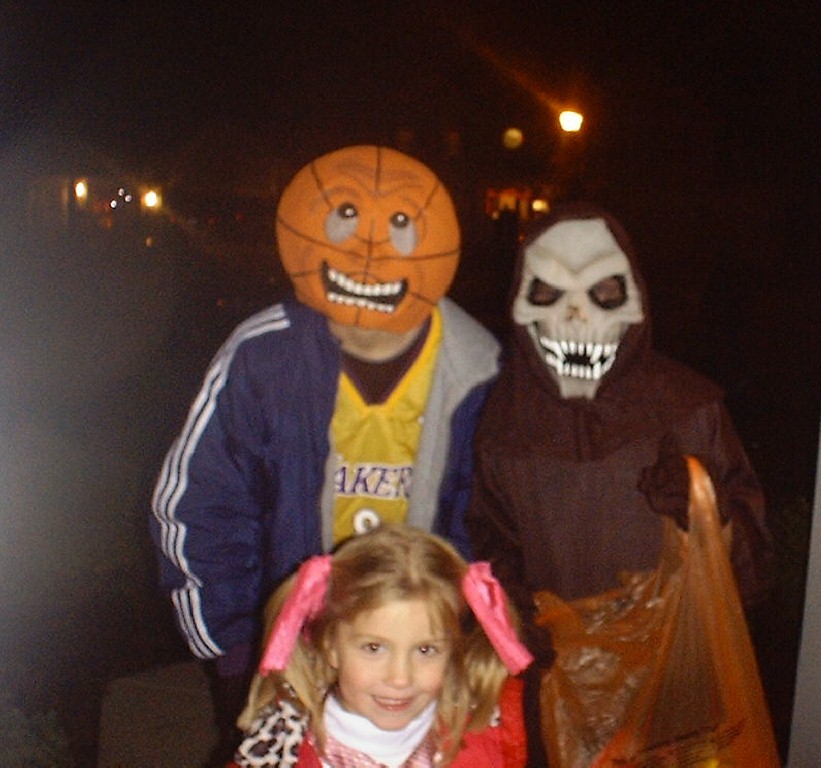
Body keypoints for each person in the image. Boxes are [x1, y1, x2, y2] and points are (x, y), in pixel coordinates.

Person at [150, 145, 501, 762]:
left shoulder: (478, 369)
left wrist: (467, 643)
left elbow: (492, 524)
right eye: (346, 218)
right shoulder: (263, 358)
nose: (368, 251)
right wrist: (239, 651)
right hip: (289, 648)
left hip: (417, 662)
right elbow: (199, 506)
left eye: (399, 225)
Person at [466, 202, 775, 764]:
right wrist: (514, 618)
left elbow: (753, 574)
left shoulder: (689, 411)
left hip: (679, 695)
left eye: (603, 292)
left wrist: (709, 511)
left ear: (636, 299)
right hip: (559, 694)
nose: (576, 318)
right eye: (548, 293)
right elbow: (491, 547)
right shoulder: (504, 426)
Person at [229, 524, 532, 767]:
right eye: (373, 648)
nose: (400, 678)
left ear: (453, 650)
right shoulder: (278, 754)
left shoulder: (493, 739)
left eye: (425, 650)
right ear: (330, 646)